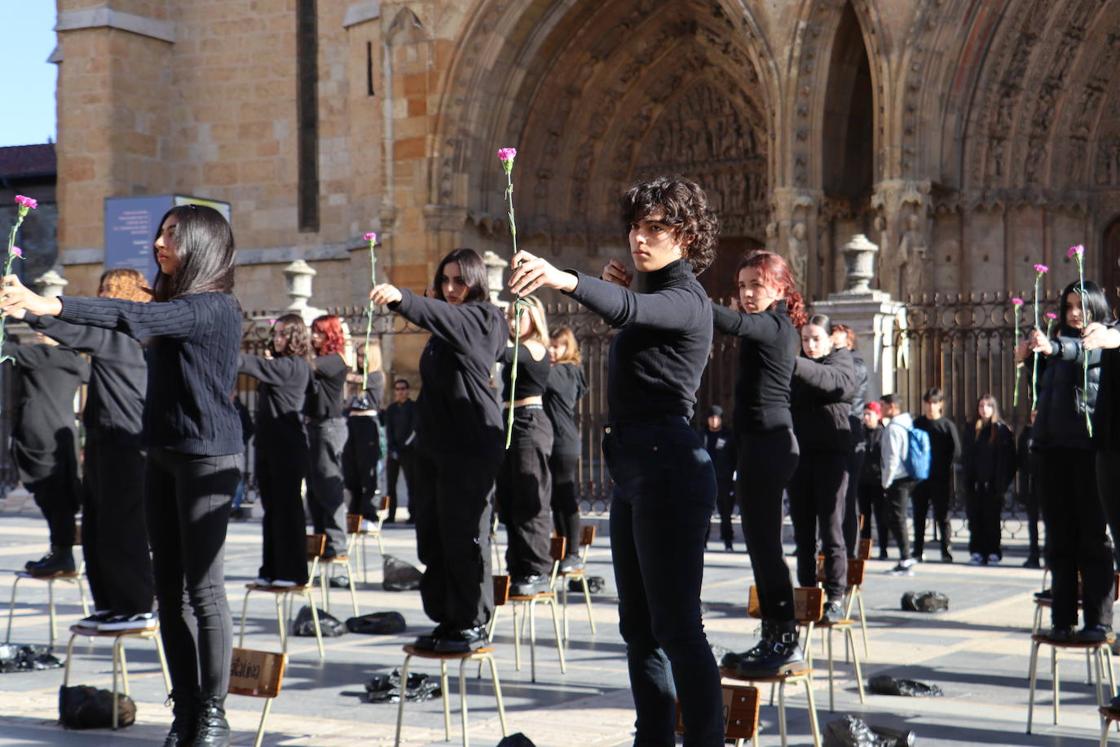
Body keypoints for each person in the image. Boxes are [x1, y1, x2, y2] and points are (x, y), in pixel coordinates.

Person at [2, 203, 243, 747]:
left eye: (173, 235)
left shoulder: (213, 308)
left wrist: (50, 301)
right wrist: (32, 313)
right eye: (158, 233)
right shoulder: (174, 305)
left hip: (208, 458)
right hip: (160, 453)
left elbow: (130, 317)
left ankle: (213, 715)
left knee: (205, 591)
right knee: (170, 587)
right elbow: (112, 328)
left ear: (203, 245)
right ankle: (185, 709)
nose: (160, 243)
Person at [506, 176, 725, 744]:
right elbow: (634, 315)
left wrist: (563, 278)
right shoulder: (655, 295)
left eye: (655, 228)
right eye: (635, 226)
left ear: (687, 235)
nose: (639, 238)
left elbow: (632, 308)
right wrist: (621, 291)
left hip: (670, 468)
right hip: (634, 469)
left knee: (678, 628)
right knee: (639, 629)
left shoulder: (687, 297)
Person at [370, 247, 506, 653]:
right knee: (433, 534)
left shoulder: (485, 318)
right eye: (444, 280)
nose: (450, 289)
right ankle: (447, 616)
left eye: (459, 281)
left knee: (465, 536)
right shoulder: (443, 332)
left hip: (471, 446)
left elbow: (446, 316)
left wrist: (404, 299)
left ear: (476, 283)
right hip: (435, 447)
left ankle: (471, 621)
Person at [17, 268, 154, 629]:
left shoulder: (123, 336)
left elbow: (71, 329)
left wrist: (27, 310)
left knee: (122, 526)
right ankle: (109, 603)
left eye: (110, 290)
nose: (102, 296)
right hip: (102, 441)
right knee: (96, 526)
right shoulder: (121, 338)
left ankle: (134, 604)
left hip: (124, 442)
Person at [713, 249, 806, 679]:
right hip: (757, 442)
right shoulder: (768, 327)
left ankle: (785, 641)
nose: (748, 293)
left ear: (781, 288)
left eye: (758, 284)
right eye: (743, 285)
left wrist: (682, 291)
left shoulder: (774, 325)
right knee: (759, 544)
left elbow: (730, 321)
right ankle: (773, 635)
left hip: (770, 442)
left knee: (766, 546)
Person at [1023, 280, 1113, 642]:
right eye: (1070, 306)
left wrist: (1054, 347)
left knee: (1092, 538)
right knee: (1058, 537)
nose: (1075, 313)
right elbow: (1043, 388)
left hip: (1087, 450)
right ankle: (1062, 616)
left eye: (1081, 306)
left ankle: (1098, 619)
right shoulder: (1057, 342)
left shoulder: (1100, 338)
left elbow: (1080, 353)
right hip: (1053, 449)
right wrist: (1029, 359)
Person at [4, 328, 88, 578]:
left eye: (48, 329)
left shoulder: (44, 355)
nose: (41, 333)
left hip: (42, 435)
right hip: (61, 432)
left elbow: (6, 350)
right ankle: (60, 551)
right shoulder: (75, 360)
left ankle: (62, 554)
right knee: (59, 495)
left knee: (53, 496)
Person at [789, 314, 857, 621]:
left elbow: (834, 383)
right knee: (803, 532)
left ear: (831, 339)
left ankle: (835, 596)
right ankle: (806, 591)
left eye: (817, 339)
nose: (811, 345)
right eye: (805, 340)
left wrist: (792, 362)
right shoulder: (797, 367)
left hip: (831, 458)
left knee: (831, 529)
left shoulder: (842, 363)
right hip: (801, 459)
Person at [238, 315, 312, 587]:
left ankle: (292, 572)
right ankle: (271, 567)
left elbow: (251, 364)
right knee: (271, 509)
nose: (277, 338)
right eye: (276, 333)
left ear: (294, 338)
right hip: (268, 446)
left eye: (283, 334)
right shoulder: (279, 365)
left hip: (288, 449)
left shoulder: (294, 366)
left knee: (288, 510)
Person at [497, 295, 555, 596]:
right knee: (509, 498)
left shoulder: (532, 347)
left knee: (530, 500)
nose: (512, 320)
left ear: (534, 318)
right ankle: (518, 564)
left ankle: (536, 569)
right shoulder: (518, 347)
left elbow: (502, 353)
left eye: (518, 314)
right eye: (508, 315)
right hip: (510, 420)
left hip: (528, 422)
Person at [306, 315, 350, 566]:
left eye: (319, 333)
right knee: (314, 488)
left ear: (331, 335)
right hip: (315, 426)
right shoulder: (321, 360)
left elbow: (307, 365)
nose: (314, 337)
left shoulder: (335, 360)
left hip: (328, 427)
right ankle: (321, 542)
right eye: (313, 332)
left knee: (328, 487)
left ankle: (337, 545)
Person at [544, 325, 587, 571]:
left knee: (566, 496)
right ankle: (562, 552)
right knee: (556, 499)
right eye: (550, 344)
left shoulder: (566, 370)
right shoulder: (564, 370)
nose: (551, 349)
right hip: (556, 440)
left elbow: (541, 375)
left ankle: (572, 553)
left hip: (563, 441)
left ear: (567, 347)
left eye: (557, 345)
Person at [961, 394, 1016, 565]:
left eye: (988, 406)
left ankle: (993, 551)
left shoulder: (1001, 430)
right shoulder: (972, 429)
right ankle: (976, 550)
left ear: (994, 408)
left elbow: (1009, 459)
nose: (984, 409)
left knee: (992, 519)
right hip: (975, 483)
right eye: (981, 406)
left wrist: (1003, 483)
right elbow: (967, 456)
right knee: (975, 518)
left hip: (993, 484)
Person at [912, 387, 961, 563]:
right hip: (920, 479)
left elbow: (956, 451)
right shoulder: (917, 424)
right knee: (919, 515)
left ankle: (946, 550)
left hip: (940, 478)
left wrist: (945, 466)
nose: (931, 406)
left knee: (943, 516)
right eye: (928, 403)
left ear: (940, 404)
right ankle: (917, 550)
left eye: (934, 403)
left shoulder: (947, 426)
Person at [831, 323, 868, 558]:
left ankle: (849, 554)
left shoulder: (854, 365)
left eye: (839, 343)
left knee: (846, 497)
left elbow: (839, 388)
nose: (835, 347)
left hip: (850, 432)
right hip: (834, 432)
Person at [344, 343, 385, 519]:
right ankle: (355, 505)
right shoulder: (357, 377)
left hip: (367, 423)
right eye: (358, 355)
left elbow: (359, 380)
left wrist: (340, 370)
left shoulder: (376, 376)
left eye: (363, 356)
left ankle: (369, 509)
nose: (360, 360)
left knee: (367, 466)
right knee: (350, 467)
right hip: (352, 421)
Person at [880, 394, 918, 576]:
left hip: (898, 478)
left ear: (893, 407)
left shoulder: (894, 428)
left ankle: (905, 558)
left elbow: (892, 457)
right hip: (906, 476)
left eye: (883, 405)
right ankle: (905, 556)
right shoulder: (907, 423)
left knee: (897, 517)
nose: (881, 409)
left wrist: (886, 481)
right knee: (896, 516)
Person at [699, 405, 736, 551]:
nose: (714, 421)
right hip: (705, 478)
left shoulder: (727, 436)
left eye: (716, 418)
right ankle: (703, 542)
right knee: (705, 513)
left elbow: (734, 457)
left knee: (725, 513)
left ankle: (728, 541)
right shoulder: (702, 435)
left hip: (724, 479)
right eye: (711, 418)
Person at [858, 401, 890, 558]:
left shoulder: (883, 433)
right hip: (862, 481)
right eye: (864, 414)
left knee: (881, 516)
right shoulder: (859, 432)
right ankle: (865, 550)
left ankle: (883, 549)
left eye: (869, 414)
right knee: (864, 517)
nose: (866, 417)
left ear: (878, 416)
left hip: (878, 481)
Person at [384, 377, 417, 523]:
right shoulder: (391, 409)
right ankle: (391, 515)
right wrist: (392, 448)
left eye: (403, 389)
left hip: (409, 452)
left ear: (408, 391)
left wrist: (404, 446)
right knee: (391, 485)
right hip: (394, 452)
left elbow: (414, 430)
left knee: (412, 484)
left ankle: (413, 514)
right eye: (397, 389)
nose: (400, 392)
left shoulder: (414, 407)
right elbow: (388, 430)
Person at [1017, 410, 1043, 568]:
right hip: (1031, 484)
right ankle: (1034, 555)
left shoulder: (1051, 432)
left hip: (1047, 483)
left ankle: (1050, 555)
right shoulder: (1026, 434)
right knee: (1032, 522)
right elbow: (1020, 459)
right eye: (1033, 415)